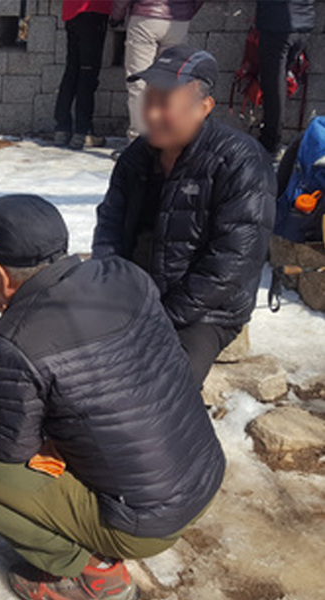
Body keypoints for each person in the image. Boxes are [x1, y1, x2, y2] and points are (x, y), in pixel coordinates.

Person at [0, 195, 225, 600]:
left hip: (144, 524)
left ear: (1, 277)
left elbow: (7, 448)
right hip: (202, 472)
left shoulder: (17, 339)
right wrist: (18, 310)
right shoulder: (123, 273)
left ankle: (84, 570)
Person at [93, 46, 275, 387]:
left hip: (203, 312)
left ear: (203, 108)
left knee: (165, 387)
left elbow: (233, 261)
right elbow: (110, 227)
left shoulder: (240, 161)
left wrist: (163, 317)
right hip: (135, 294)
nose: (153, 113)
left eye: (166, 103)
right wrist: (110, 288)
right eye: (149, 100)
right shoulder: (137, 156)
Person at [113, 0, 204, 142]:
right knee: (171, 83)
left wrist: (116, 16)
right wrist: (187, 11)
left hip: (145, 18)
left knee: (139, 83)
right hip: (179, 21)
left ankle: (138, 142)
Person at [256, 0, 316, 156]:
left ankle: (271, 141)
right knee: (279, 81)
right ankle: (271, 137)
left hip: (277, 22)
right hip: (304, 22)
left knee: (273, 84)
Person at [53, 0, 112, 150]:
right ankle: (82, 131)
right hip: (94, 9)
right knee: (88, 73)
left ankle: (62, 127)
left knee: (72, 70)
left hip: (72, 11)